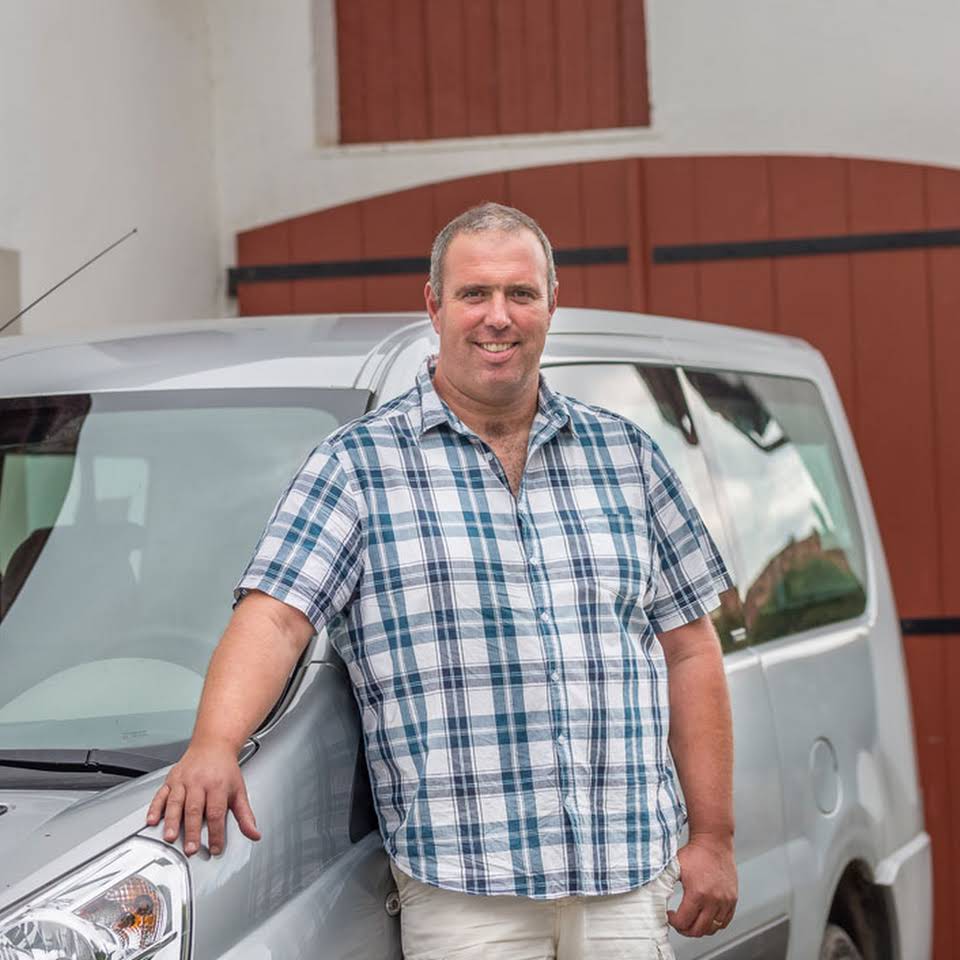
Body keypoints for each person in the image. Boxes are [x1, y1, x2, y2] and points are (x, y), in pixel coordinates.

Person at [147, 202, 738, 958]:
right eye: (474, 294)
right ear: (434, 306)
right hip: (465, 891)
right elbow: (276, 618)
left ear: (552, 304)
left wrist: (713, 835)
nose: (499, 317)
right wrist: (213, 744)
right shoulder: (356, 467)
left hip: (628, 879)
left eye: (521, 294)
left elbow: (690, 648)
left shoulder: (629, 456)